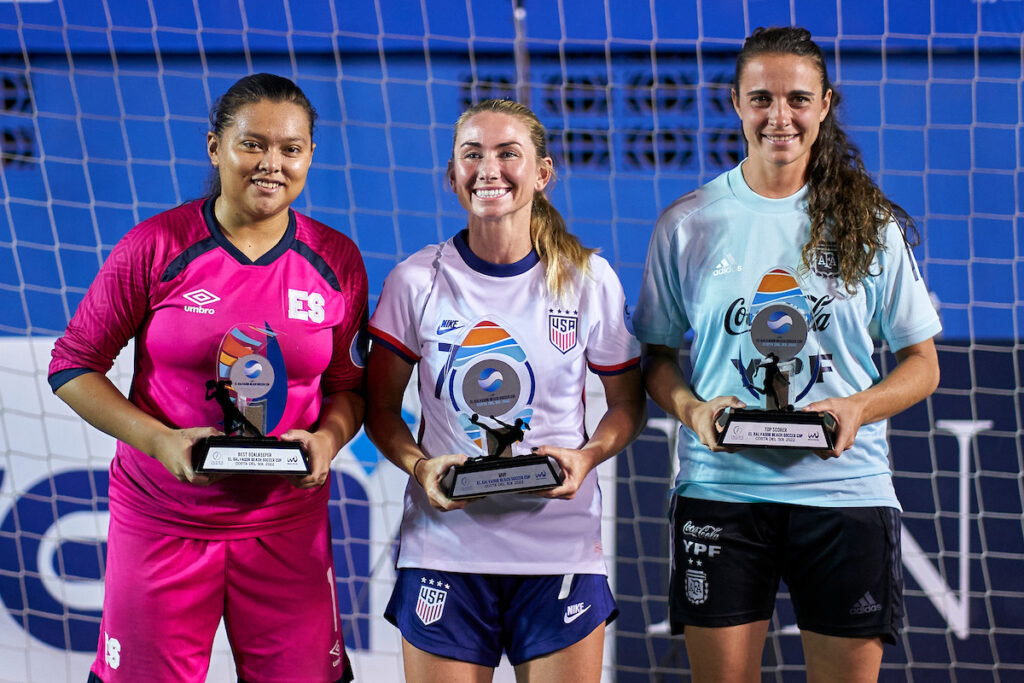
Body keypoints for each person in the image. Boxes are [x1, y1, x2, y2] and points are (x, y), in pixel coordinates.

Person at [633, 27, 941, 683]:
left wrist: (858, 405)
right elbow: (655, 357)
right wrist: (694, 410)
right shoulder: (687, 222)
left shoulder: (870, 224)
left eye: (798, 99)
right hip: (722, 493)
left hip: (845, 493)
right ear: (737, 102)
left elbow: (923, 362)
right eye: (763, 98)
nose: (781, 116)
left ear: (825, 103)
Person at [48, 73, 365, 683]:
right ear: (215, 147)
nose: (272, 164)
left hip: (286, 526)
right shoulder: (155, 246)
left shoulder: (336, 260)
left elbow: (348, 389)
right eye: (253, 144)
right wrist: (159, 440)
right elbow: (73, 364)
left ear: (310, 157)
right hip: (163, 519)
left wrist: (325, 442)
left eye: (290, 148)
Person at [365, 98, 645, 682]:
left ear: (542, 173)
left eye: (507, 154)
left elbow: (627, 406)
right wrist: (422, 469)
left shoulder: (588, 279)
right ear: (452, 175)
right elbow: (380, 413)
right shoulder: (416, 279)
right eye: (472, 155)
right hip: (444, 551)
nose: (488, 169)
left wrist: (586, 457)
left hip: (559, 553)